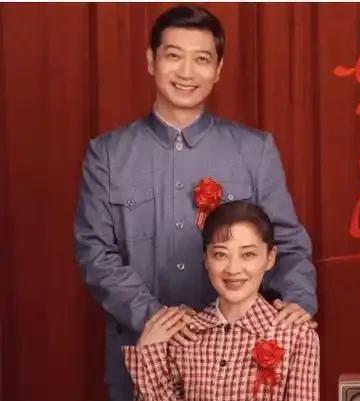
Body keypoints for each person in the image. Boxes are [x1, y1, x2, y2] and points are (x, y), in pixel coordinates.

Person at [74, 6, 316, 400]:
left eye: (201, 59)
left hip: (239, 366)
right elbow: (95, 254)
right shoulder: (107, 154)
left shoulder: (254, 150)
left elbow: (285, 241)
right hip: (143, 355)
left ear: (218, 70)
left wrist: (298, 300)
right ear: (151, 61)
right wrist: (154, 315)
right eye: (174, 55)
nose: (186, 72)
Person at [123, 201, 320, 401]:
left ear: (270, 258)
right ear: (206, 259)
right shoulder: (183, 335)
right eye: (220, 254)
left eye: (248, 254)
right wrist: (149, 351)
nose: (233, 269)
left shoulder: (298, 336)